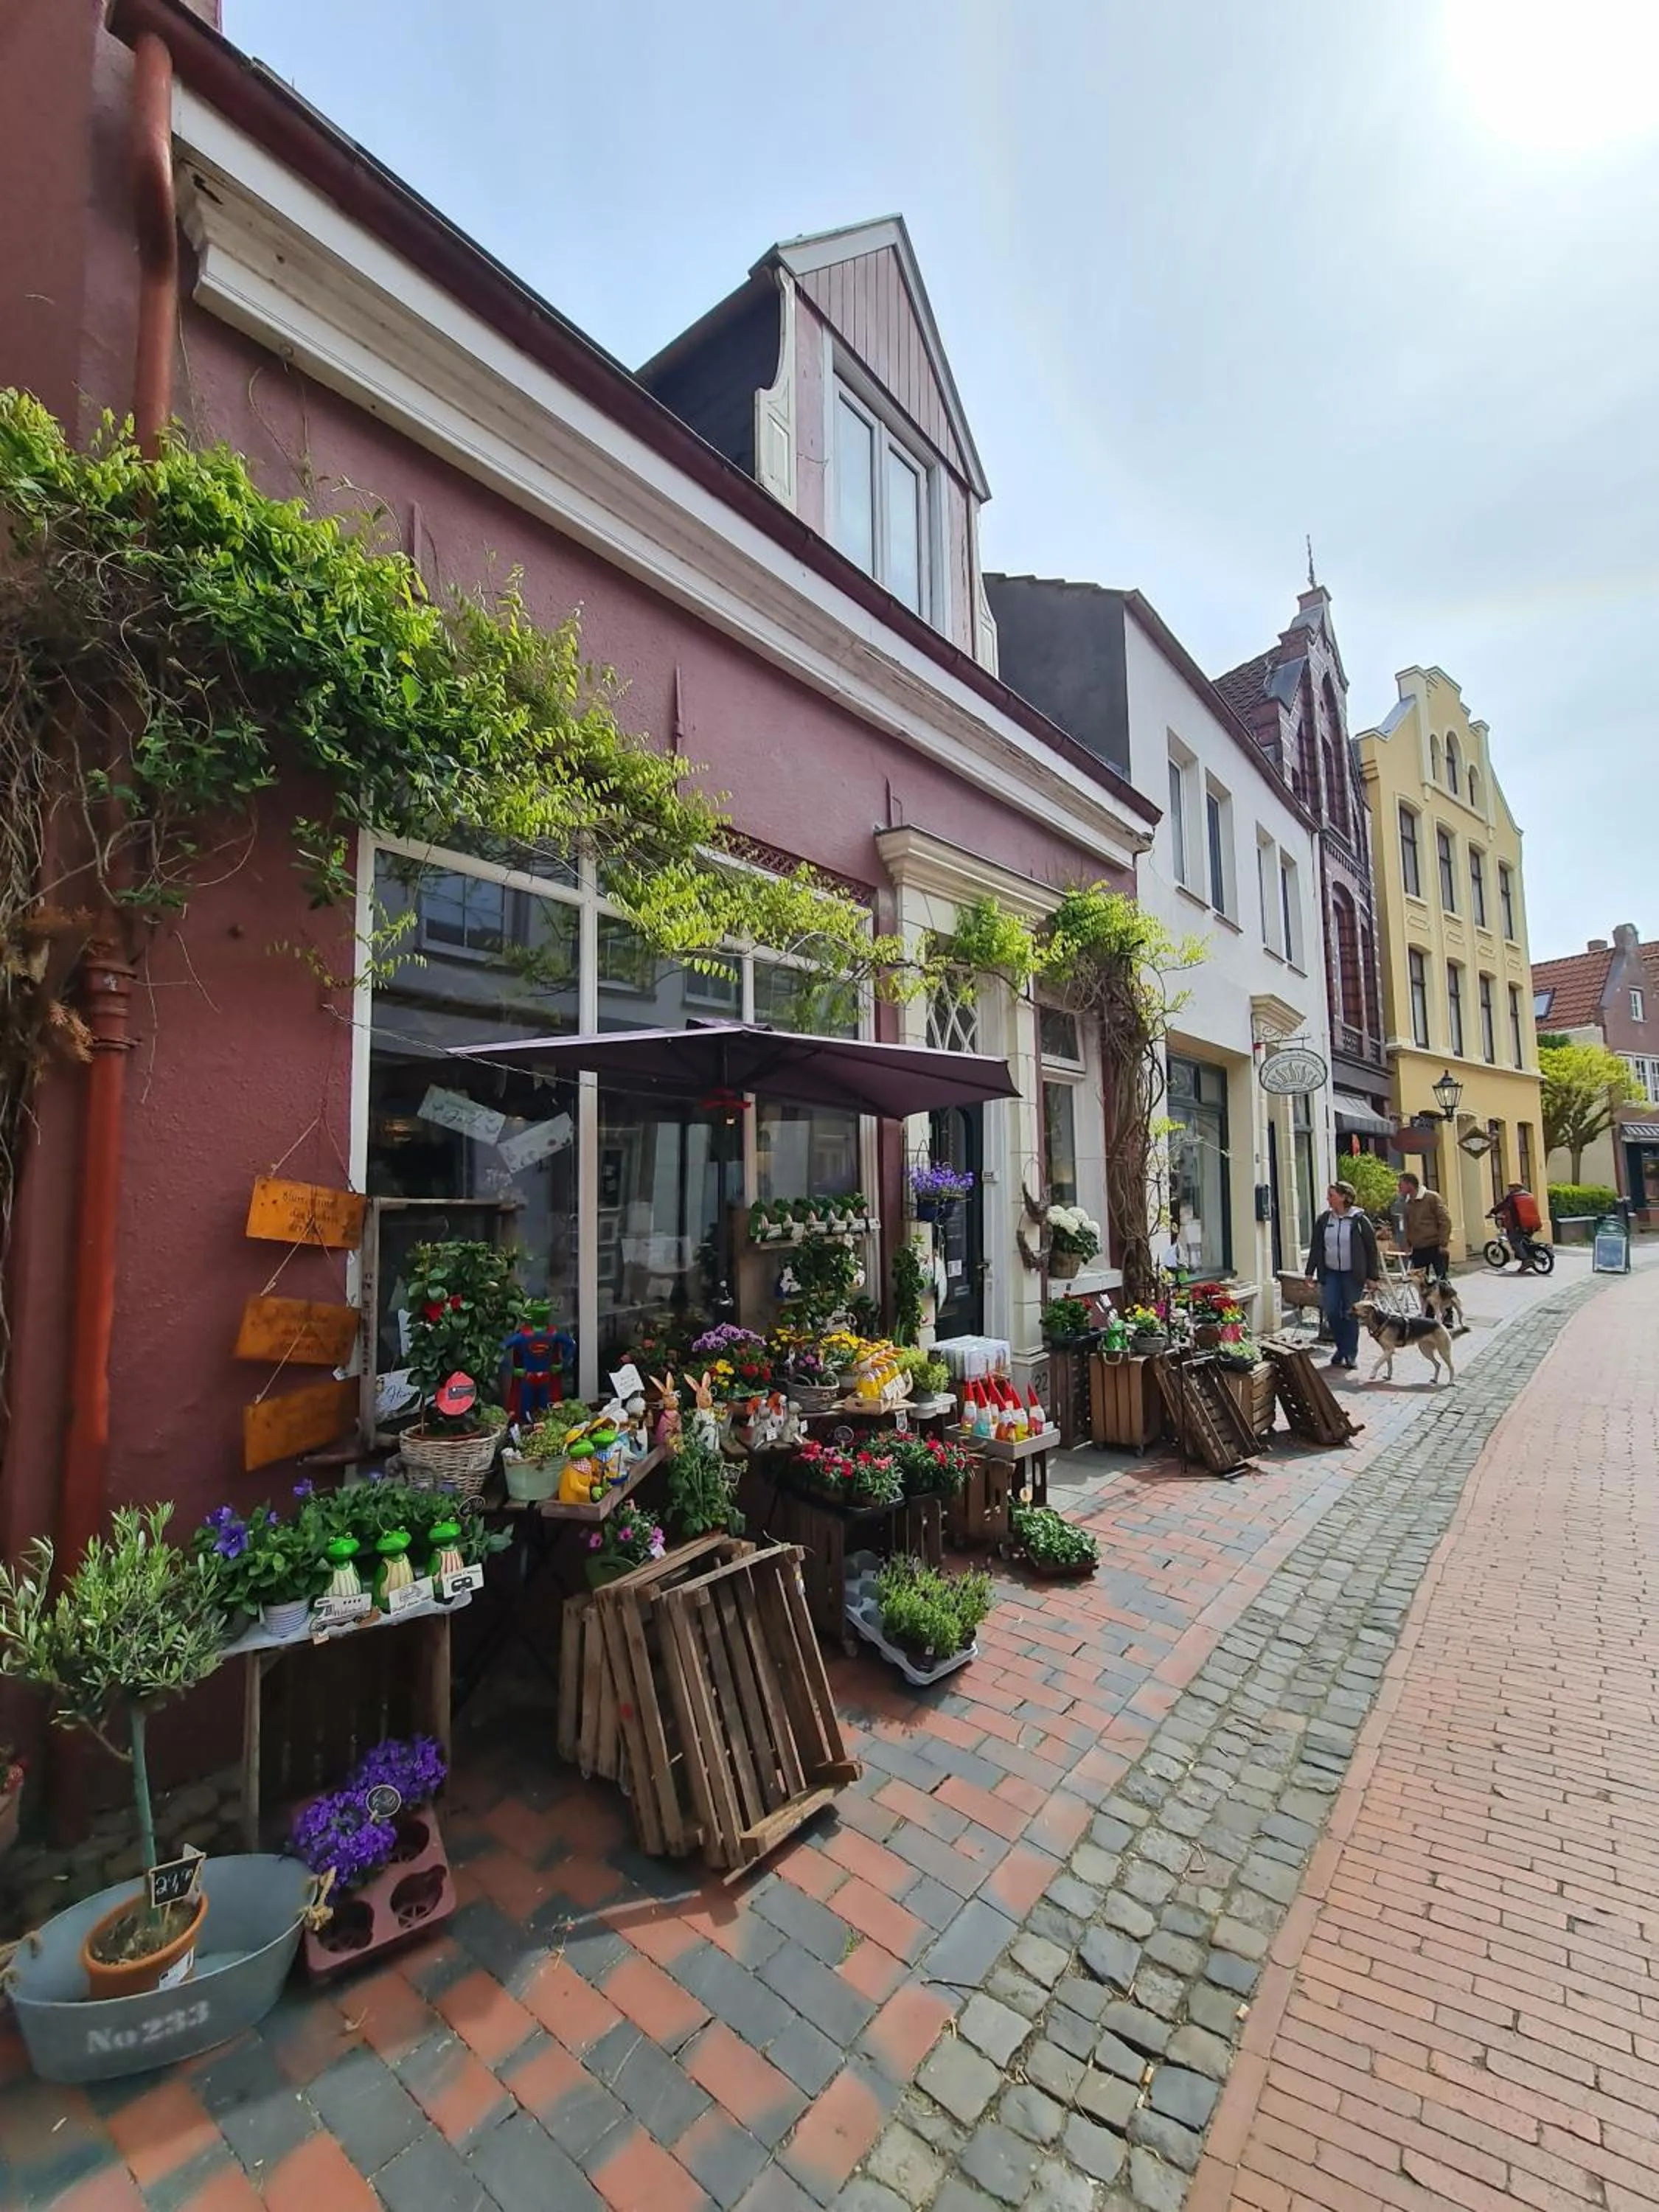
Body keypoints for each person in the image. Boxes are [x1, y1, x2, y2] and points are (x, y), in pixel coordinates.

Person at [1305, 1180, 1383, 1371]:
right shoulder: (1324, 1220)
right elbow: (1316, 1247)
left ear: (1344, 1197)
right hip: (1331, 1273)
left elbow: (1371, 1249)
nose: (1328, 1199)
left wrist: (1372, 1276)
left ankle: (1350, 1354)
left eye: (1331, 1195)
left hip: (1352, 1274)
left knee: (1350, 1314)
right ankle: (1341, 1348)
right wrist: (1309, 1272)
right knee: (1331, 1311)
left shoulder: (1359, 1221)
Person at [1397, 1172, 1452, 1281]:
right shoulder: (1407, 1203)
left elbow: (1445, 1221)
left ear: (1409, 1185)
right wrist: (1407, 1243)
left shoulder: (1431, 1198)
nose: (1399, 1187)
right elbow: (1406, 1225)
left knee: (1442, 1281)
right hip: (1418, 1248)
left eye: (1401, 1184)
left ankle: (1447, 1298)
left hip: (1435, 1245)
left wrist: (1443, 1242)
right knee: (1421, 1283)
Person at [1492, 1180, 1541, 1264]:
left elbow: (1502, 1206)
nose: (1509, 1189)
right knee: (1526, 1241)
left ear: (1517, 1188)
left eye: (1511, 1187)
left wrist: (1492, 1212)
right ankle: (1529, 1257)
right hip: (1532, 1223)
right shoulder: (1529, 1195)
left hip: (1517, 1225)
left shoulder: (1512, 1197)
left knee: (1514, 1242)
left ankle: (1527, 1260)